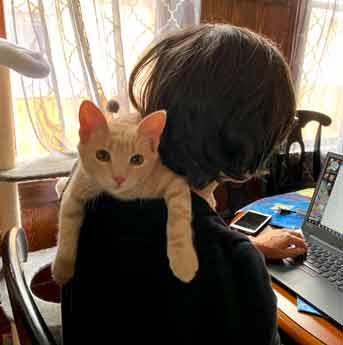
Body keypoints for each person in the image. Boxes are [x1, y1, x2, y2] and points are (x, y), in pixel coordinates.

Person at [61, 24, 306, 345]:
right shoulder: (233, 270)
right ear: (249, 151)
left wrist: (242, 247)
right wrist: (237, 255)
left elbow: (146, 261)